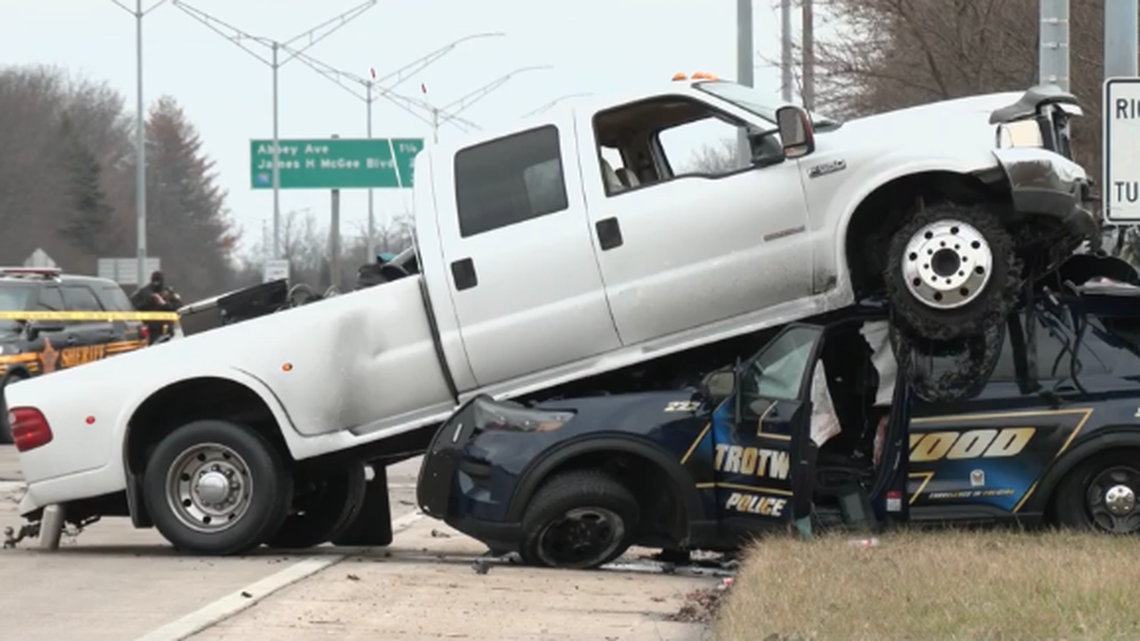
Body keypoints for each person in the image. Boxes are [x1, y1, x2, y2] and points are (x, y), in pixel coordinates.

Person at [132, 271, 182, 344]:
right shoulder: (144, 292)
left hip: (167, 328)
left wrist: (165, 304)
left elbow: (179, 306)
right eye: (155, 282)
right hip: (150, 329)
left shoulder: (168, 292)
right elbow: (133, 306)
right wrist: (148, 301)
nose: (156, 284)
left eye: (158, 282)